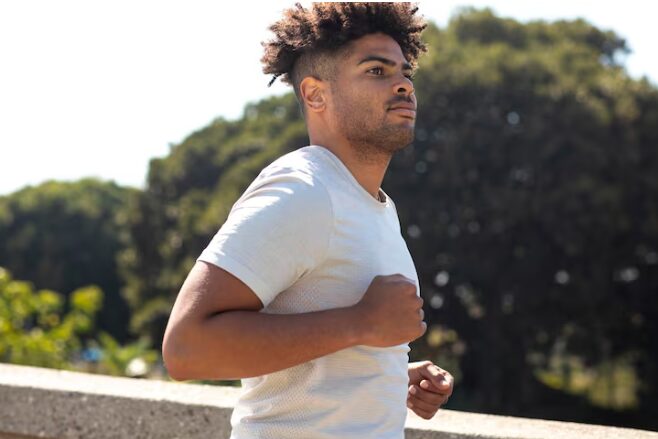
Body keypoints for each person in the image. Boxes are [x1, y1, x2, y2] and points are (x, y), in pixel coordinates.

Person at [162, 3, 454, 438]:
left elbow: (320, 347)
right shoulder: (304, 190)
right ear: (316, 95)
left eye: (405, 72)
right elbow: (187, 348)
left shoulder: (373, 205)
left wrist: (387, 374)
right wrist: (360, 324)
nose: (403, 85)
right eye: (376, 71)